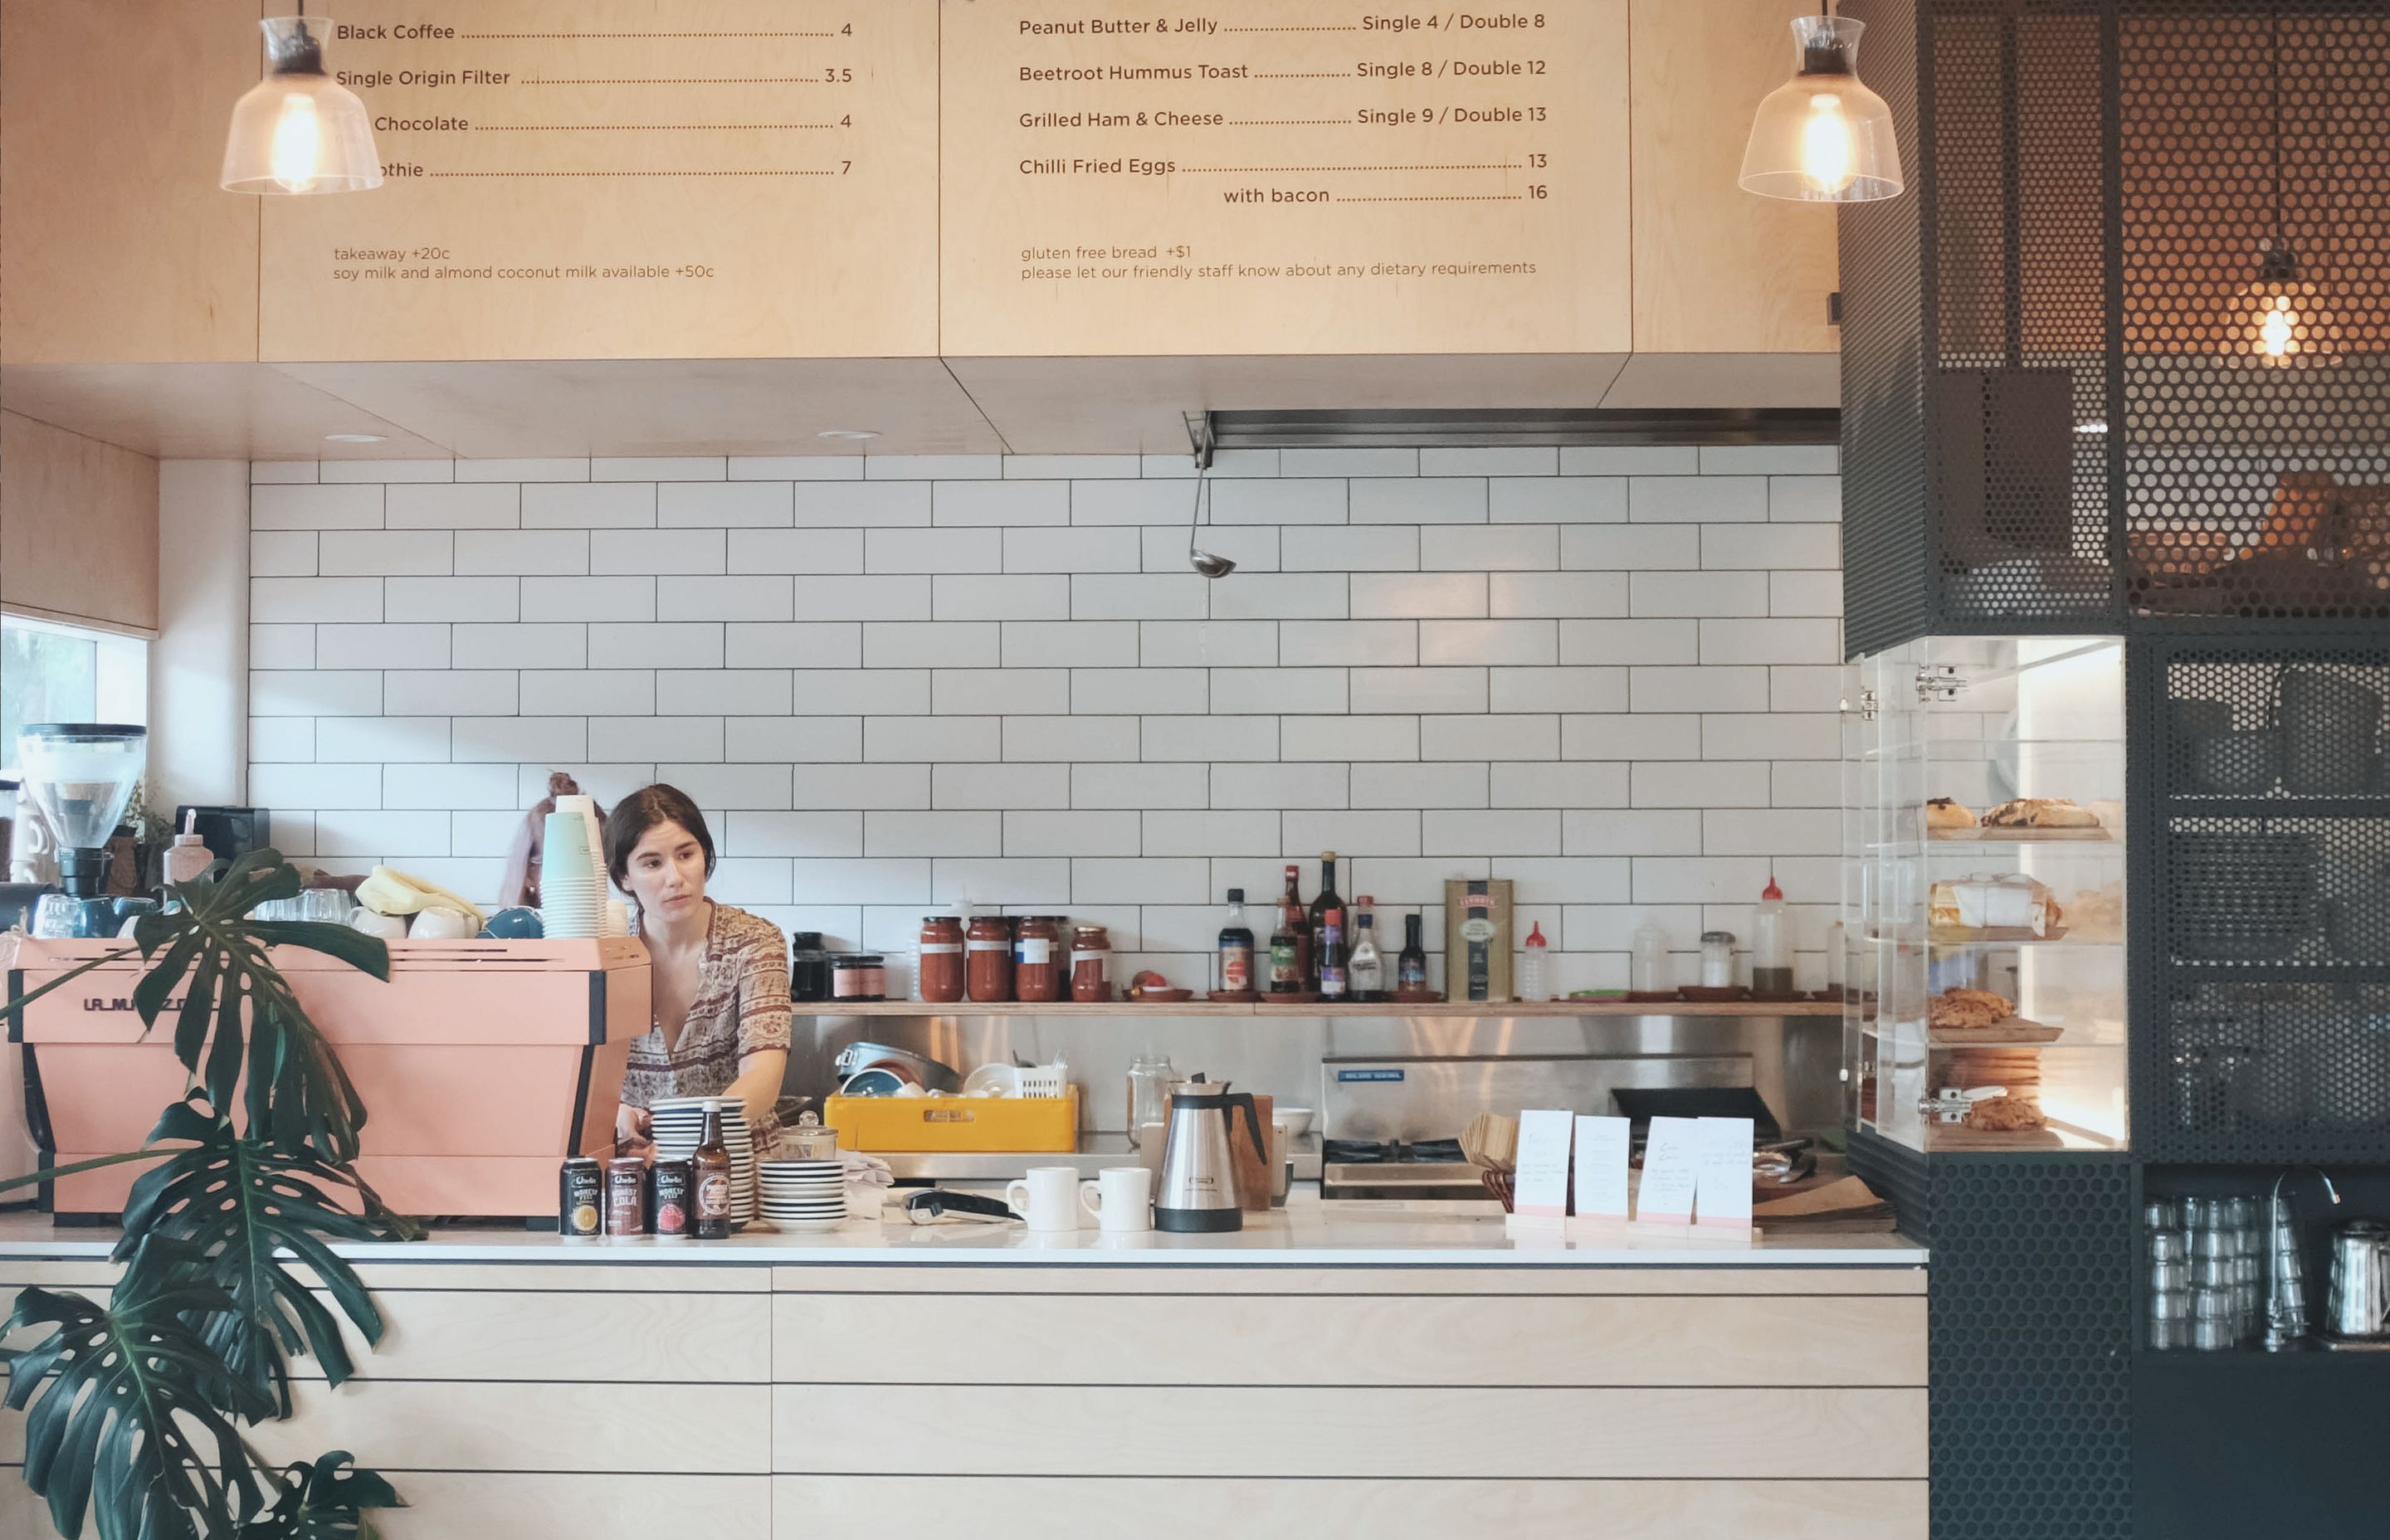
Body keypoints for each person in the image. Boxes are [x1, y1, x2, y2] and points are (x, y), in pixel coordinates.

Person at [604, 784, 791, 1153]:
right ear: (624, 876)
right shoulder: (606, 953)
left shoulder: (755, 942)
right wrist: (614, 1113)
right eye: (652, 863)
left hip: (740, 1171)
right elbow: (579, 1077)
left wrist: (681, 1144)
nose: (674, 877)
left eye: (686, 854)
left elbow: (763, 1078)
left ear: (704, 856)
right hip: (639, 1174)